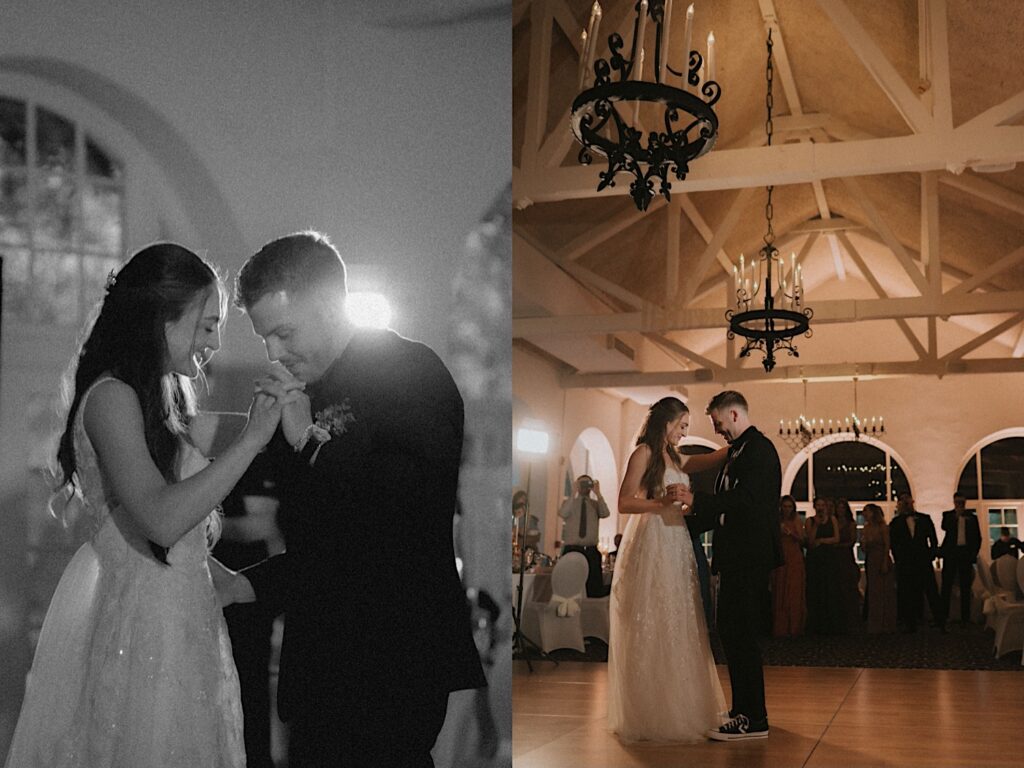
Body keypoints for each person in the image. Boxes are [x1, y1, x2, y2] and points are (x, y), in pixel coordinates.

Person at [4, 243, 284, 768]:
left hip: (181, 627)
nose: (214, 342)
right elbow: (159, 517)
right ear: (160, 317)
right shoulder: (111, 397)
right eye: (205, 325)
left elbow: (178, 546)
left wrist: (258, 584)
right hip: (146, 636)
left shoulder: (159, 398)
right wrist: (252, 440)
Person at [218, 231, 486, 767]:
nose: (274, 352)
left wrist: (305, 444)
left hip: (393, 659)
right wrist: (246, 584)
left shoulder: (413, 374)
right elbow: (320, 541)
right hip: (319, 663)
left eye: (285, 332)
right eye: (265, 337)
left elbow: (401, 517)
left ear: (330, 305)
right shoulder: (302, 394)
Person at [607, 397, 728, 742]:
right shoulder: (643, 453)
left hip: (676, 541)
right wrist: (660, 503)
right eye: (683, 426)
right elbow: (624, 501)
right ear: (667, 422)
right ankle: (650, 709)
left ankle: (682, 702)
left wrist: (736, 444)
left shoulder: (675, 457)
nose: (684, 433)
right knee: (653, 616)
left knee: (680, 617)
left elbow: (705, 460)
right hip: (653, 538)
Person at [679, 391, 783, 742]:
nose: (719, 430)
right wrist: (683, 527)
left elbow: (746, 502)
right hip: (736, 557)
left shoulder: (759, 450)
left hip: (750, 557)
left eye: (719, 423)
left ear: (735, 414)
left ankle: (754, 718)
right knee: (731, 631)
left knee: (741, 635)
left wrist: (697, 500)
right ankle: (744, 709)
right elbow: (725, 510)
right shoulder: (738, 452)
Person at [889, 492, 944, 633]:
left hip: (923, 561)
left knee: (931, 591)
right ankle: (910, 623)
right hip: (906, 563)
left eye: (908, 501)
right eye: (903, 502)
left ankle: (940, 621)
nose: (906, 504)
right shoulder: (895, 523)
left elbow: (933, 539)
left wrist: (931, 555)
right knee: (907, 593)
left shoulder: (924, 519)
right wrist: (899, 559)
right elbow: (893, 544)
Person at [558, 474, 611, 597]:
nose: (584, 487)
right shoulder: (570, 502)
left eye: (588, 484)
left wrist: (598, 493)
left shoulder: (595, 504)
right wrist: (573, 492)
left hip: (591, 550)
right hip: (572, 549)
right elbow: (563, 513)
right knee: (569, 586)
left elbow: (605, 513)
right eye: (582, 484)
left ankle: (590, 611)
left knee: (593, 587)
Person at [939, 492, 981, 627]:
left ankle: (965, 618)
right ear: (953, 502)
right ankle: (943, 616)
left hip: (965, 554)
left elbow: (977, 538)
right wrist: (956, 517)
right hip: (951, 554)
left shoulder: (972, 518)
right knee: (946, 585)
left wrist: (973, 555)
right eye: (957, 502)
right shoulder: (947, 515)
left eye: (961, 502)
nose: (959, 504)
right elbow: (944, 527)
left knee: (965, 586)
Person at [804, 496, 842, 635]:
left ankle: (831, 624)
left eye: (823, 505)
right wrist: (817, 525)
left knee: (830, 588)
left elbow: (836, 538)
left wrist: (823, 540)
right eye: (818, 505)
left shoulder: (832, 520)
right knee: (816, 589)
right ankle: (816, 624)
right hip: (815, 560)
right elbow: (811, 542)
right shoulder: (810, 521)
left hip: (830, 558)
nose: (820, 507)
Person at [771, 495, 806, 637]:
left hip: (794, 557)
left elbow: (802, 538)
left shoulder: (796, 520)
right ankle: (780, 627)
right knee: (780, 589)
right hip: (780, 556)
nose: (787, 509)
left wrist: (790, 533)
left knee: (793, 589)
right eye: (784, 506)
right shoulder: (777, 521)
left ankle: (794, 626)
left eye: (789, 507)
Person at [860, 503, 897, 634]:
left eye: (867, 511)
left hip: (882, 558)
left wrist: (884, 562)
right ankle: (875, 624)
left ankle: (886, 623)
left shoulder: (883, 527)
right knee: (874, 593)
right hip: (871, 560)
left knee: (885, 592)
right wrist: (863, 543)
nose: (864, 514)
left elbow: (887, 545)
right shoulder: (865, 528)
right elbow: (864, 549)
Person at [835, 499, 863, 632]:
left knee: (848, 588)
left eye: (842, 508)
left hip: (846, 557)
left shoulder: (851, 524)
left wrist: (835, 545)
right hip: (835, 558)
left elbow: (851, 541)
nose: (840, 510)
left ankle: (852, 622)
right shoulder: (833, 522)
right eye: (838, 508)